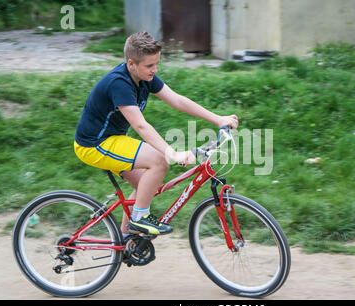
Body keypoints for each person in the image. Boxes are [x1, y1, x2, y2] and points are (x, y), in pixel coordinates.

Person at [74, 31, 238, 237]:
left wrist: (218, 119)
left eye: (156, 63)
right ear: (131, 64)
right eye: (150, 66)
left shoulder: (144, 77)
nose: (155, 70)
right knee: (159, 161)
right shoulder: (119, 84)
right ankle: (140, 218)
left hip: (113, 140)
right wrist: (173, 153)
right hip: (94, 145)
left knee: (146, 183)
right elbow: (141, 126)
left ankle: (127, 239)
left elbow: (177, 101)